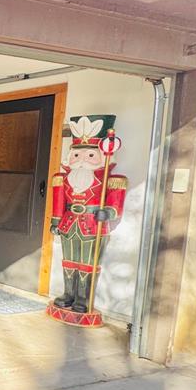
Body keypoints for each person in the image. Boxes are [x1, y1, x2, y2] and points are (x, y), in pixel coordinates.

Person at [50, 115, 127, 314]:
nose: (82, 159)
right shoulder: (63, 178)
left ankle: (83, 298)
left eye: (90, 155)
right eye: (77, 155)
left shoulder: (110, 180)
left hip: (93, 225)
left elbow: (115, 204)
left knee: (88, 262)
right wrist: (56, 220)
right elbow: (59, 202)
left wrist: (108, 212)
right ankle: (68, 294)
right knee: (69, 260)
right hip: (69, 223)